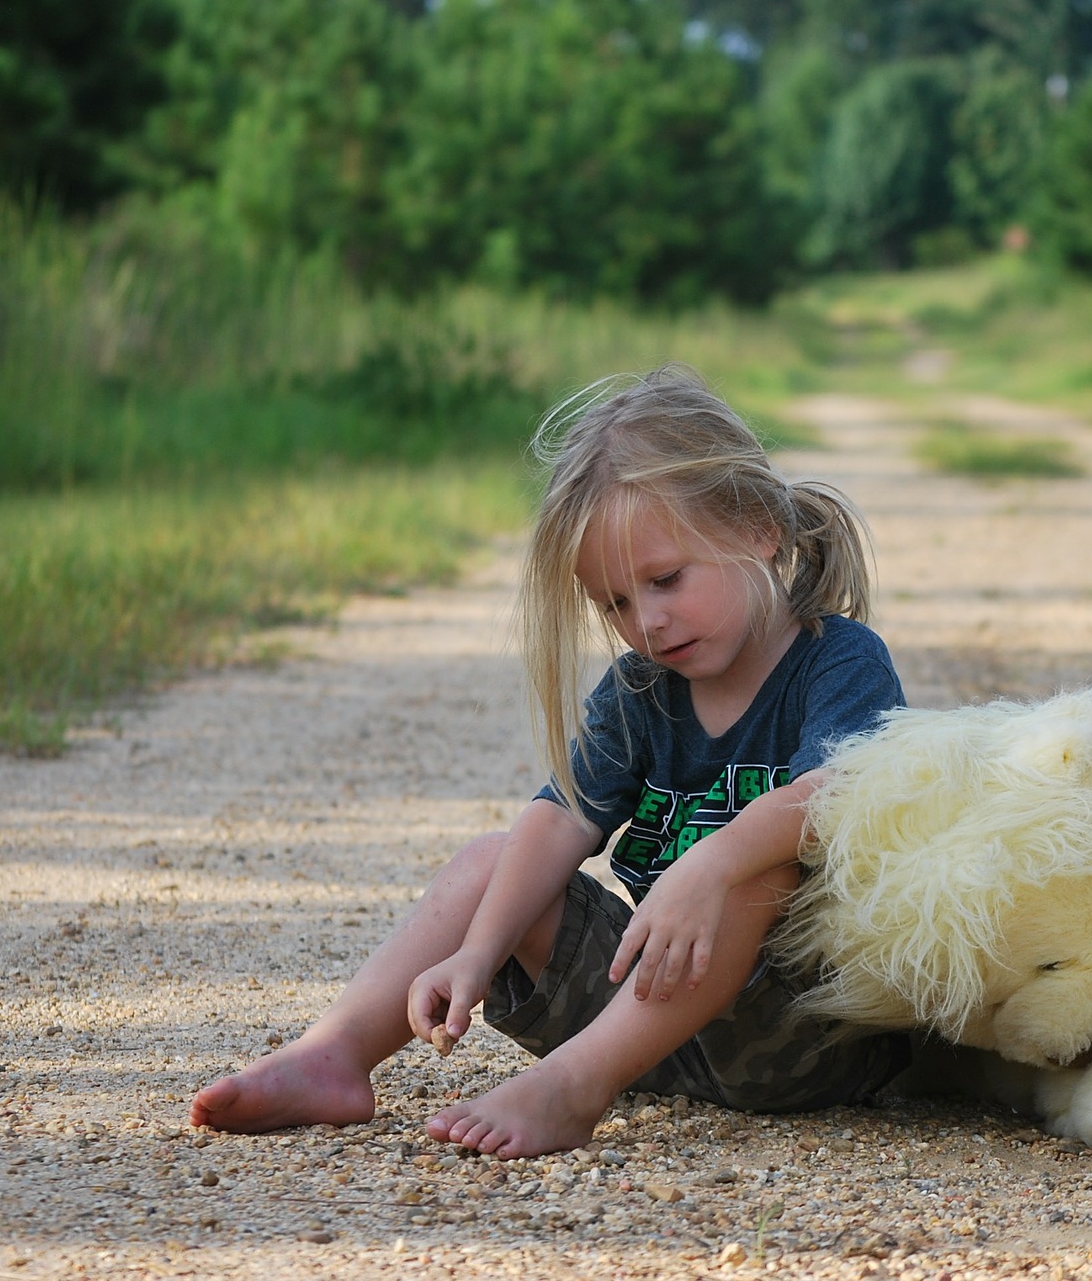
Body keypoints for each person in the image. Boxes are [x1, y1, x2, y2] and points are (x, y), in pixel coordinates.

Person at [189, 365, 909, 1159]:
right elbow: (563, 815)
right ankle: (333, 1054)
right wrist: (477, 948)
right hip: (652, 1023)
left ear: (755, 528)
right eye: (616, 604)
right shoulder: (643, 687)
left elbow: (838, 793)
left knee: (760, 868)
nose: (649, 622)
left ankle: (574, 1088)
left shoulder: (836, 660)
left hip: (804, 1038)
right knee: (489, 865)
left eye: (667, 579)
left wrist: (709, 864)